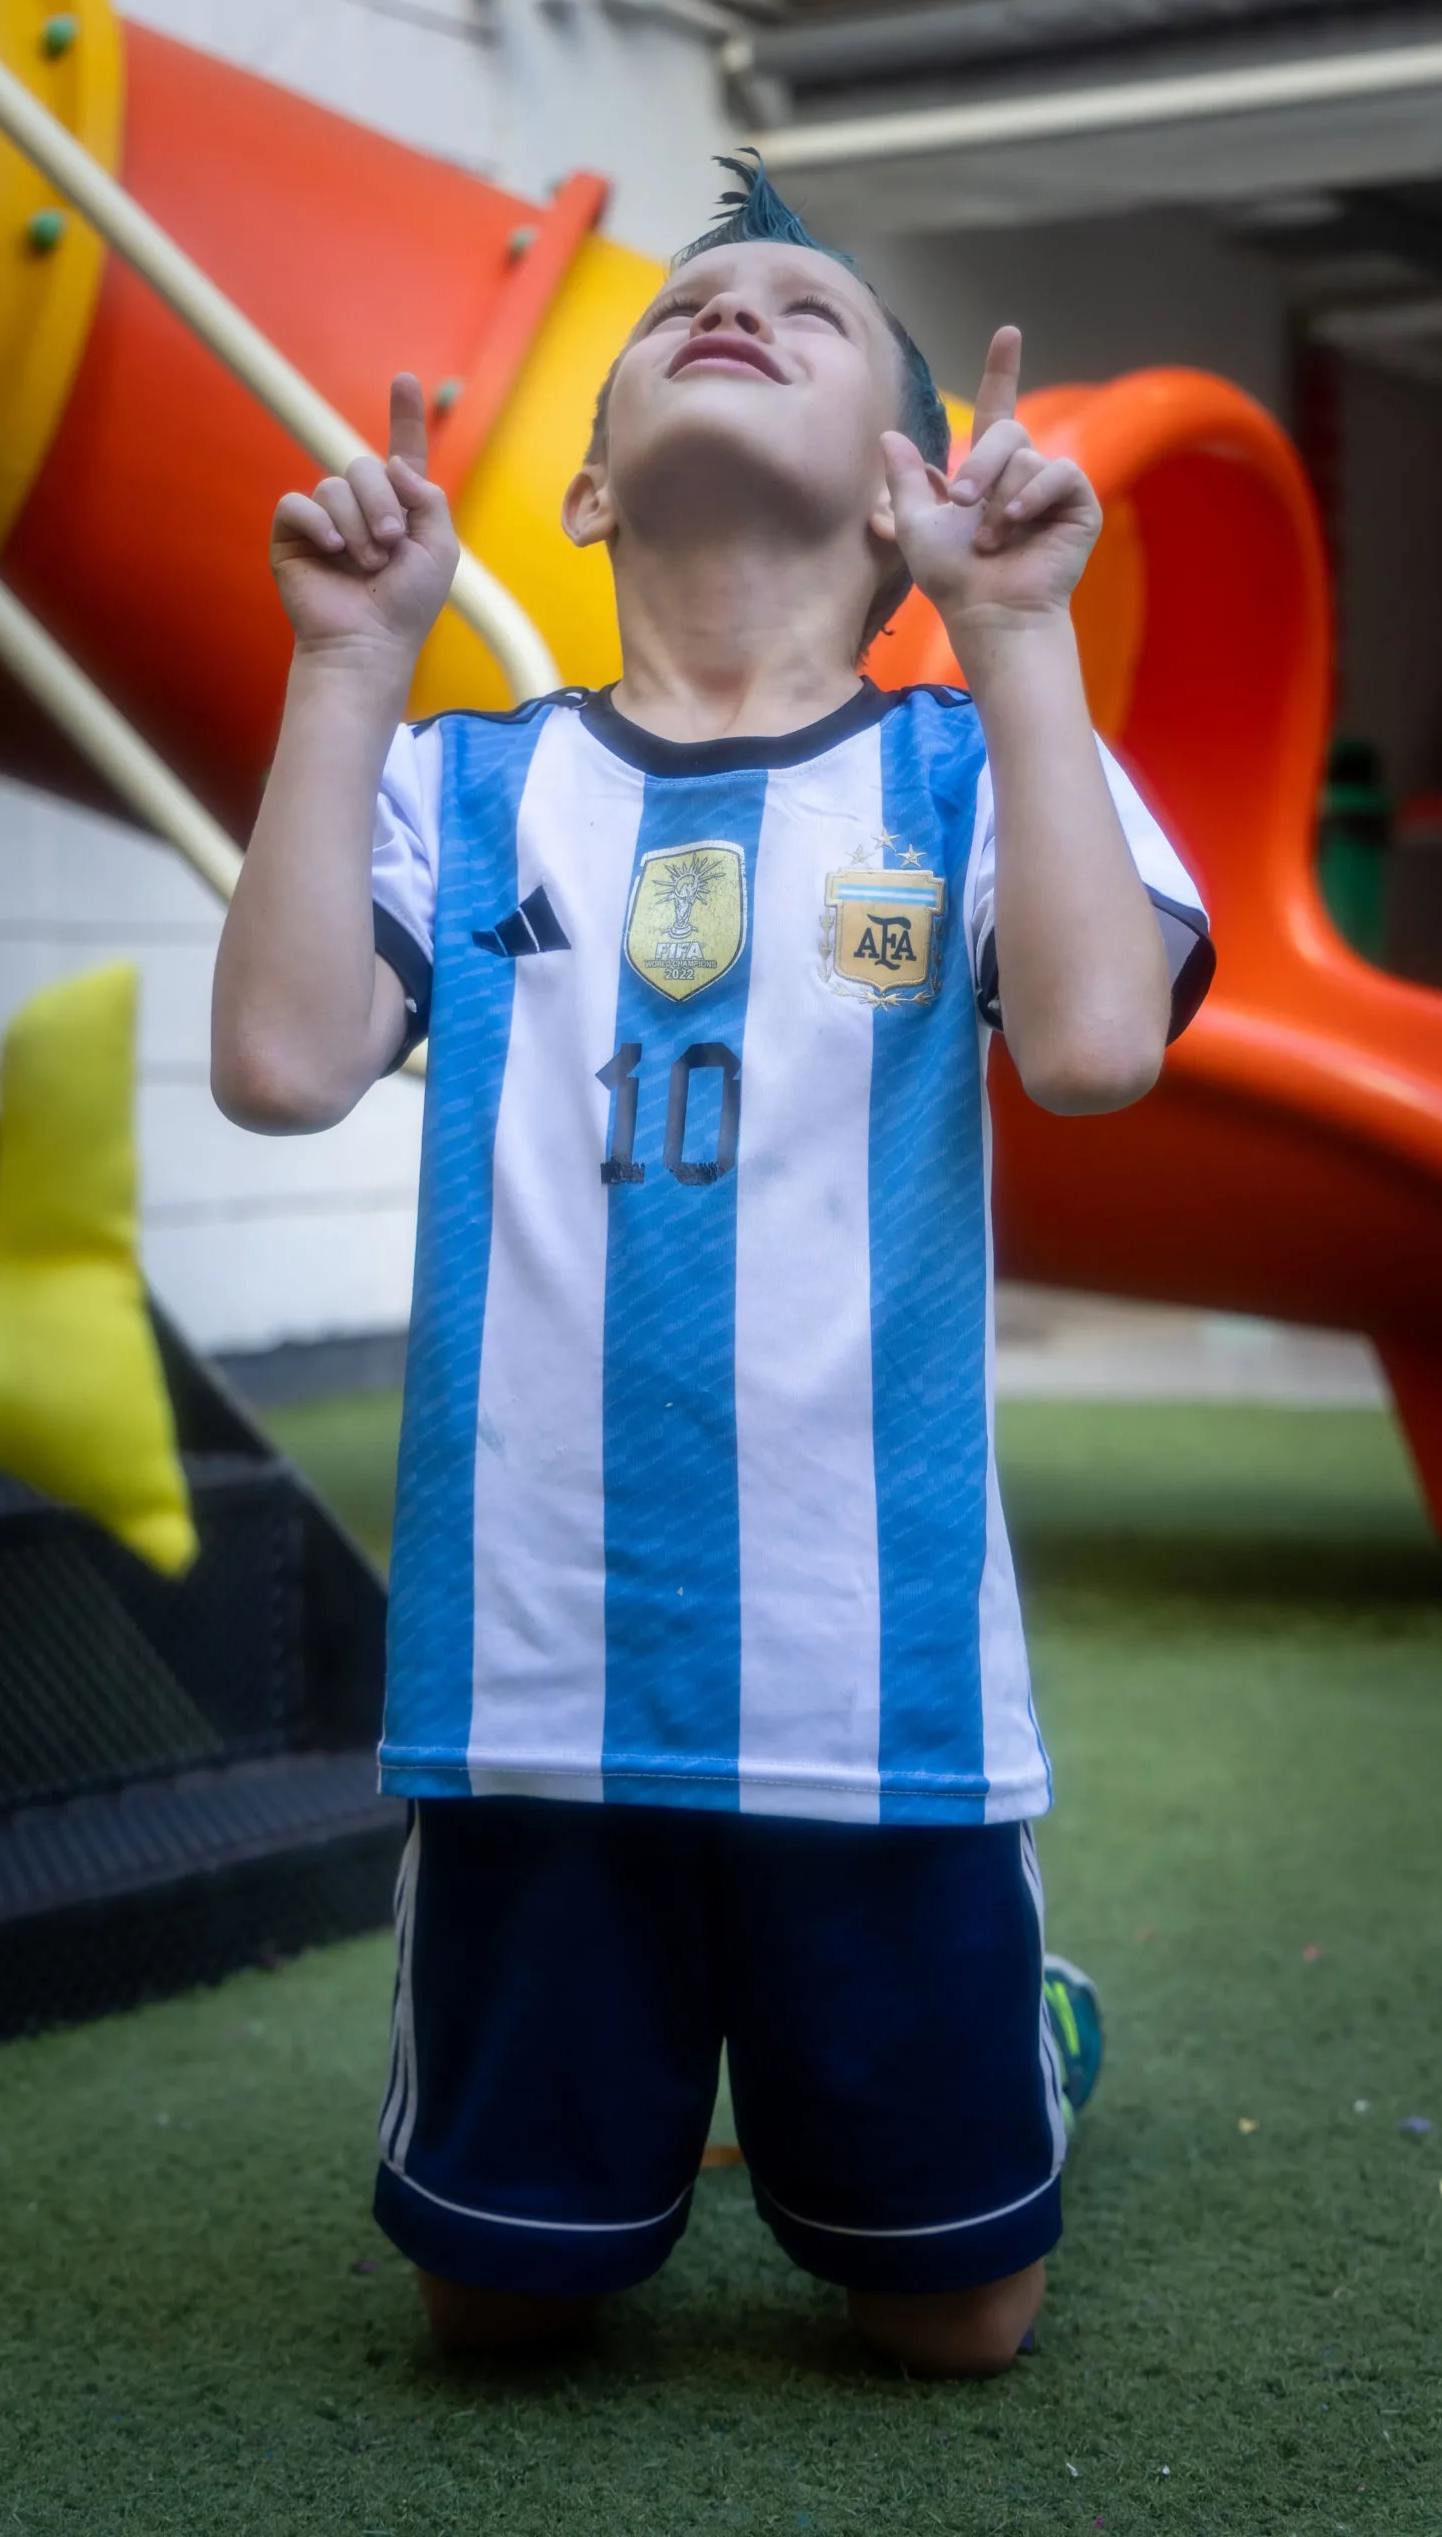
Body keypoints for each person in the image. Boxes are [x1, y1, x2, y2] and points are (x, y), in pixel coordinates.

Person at [211, 159, 1212, 2379]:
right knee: (499, 2306)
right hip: (531, 1683)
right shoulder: (467, 783)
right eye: (685, 305)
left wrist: (1017, 634)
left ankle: (1025, 2026)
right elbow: (278, 1066)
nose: (732, 309)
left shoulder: (972, 769)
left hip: (881, 1694)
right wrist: (348, 663)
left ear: (905, 495)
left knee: (950, 2324)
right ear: (585, 491)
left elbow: (1090, 1048)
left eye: (805, 308)